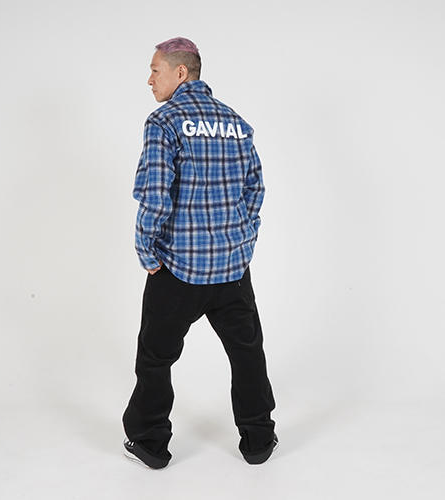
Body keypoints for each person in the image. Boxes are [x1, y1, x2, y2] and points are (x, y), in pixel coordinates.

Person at [122, 36, 278, 469]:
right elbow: (255, 189)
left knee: (155, 358)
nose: (149, 79)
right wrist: (242, 240)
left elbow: (155, 194)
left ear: (181, 72)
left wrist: (148, 253)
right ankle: (258, 440)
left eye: (155, 70)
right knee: (247, 353)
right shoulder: (236, 123)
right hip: (232, 269)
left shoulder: (164, 121)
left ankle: (150, 444)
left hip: (178, 269)